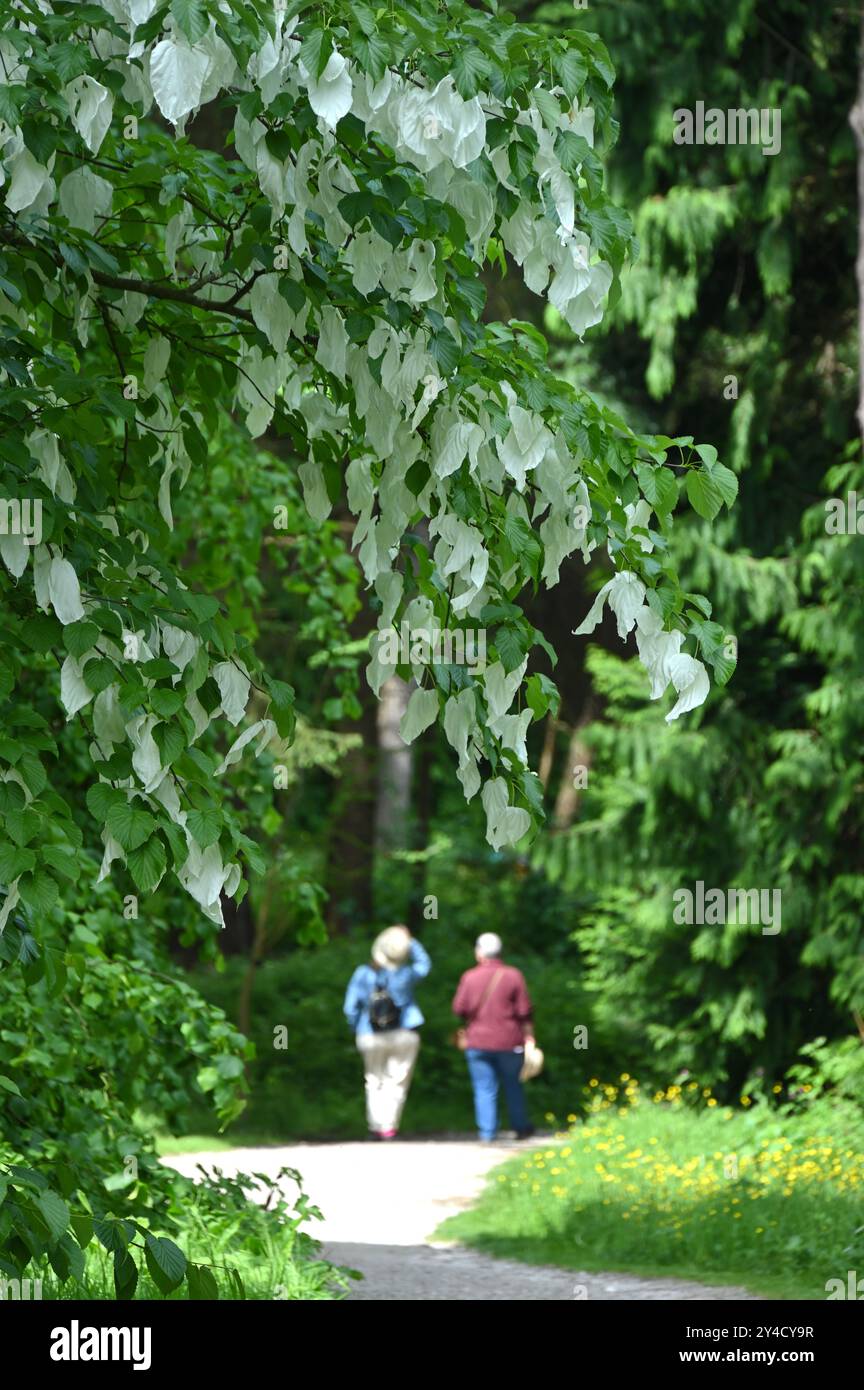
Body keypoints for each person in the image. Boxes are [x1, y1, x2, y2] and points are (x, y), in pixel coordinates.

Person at [344, 924, 431, 1140]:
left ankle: (376, 1126)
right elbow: (425, 965)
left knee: (373, 1080)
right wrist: (409, 942)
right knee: (397, 1081)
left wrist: (357, 1027)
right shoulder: (406, 974)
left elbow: (349, 1008)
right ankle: (389, 1127)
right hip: (403, 1033)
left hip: (369, 1034)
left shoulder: (362, 974)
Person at [452, 932, 536, 1143]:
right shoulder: (513, 975)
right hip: (510, 1041)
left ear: (480, 953)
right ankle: (520, 1128)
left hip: (478, 1042)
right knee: (513, 1085)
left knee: (484, 1088)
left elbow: (458, 1008)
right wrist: (530, 1037)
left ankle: (488, 1133)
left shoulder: (469, 977)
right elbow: (524, 1010)